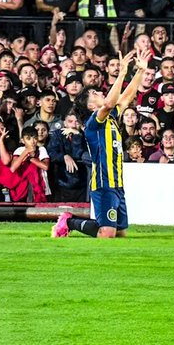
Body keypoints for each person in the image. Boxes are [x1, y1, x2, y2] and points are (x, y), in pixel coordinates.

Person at [52, 49, 150, 239]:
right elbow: (109, 104)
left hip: (117, 182)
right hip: (104, 183)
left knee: (120, 233)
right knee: (106, 234)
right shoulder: (93, 123)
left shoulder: (111, 117)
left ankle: (76, 222)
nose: (100, 92)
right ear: (90, 106)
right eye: (95, 93)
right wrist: (122, 72)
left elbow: (126, 98)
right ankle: (69, 221)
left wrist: (139, 72)